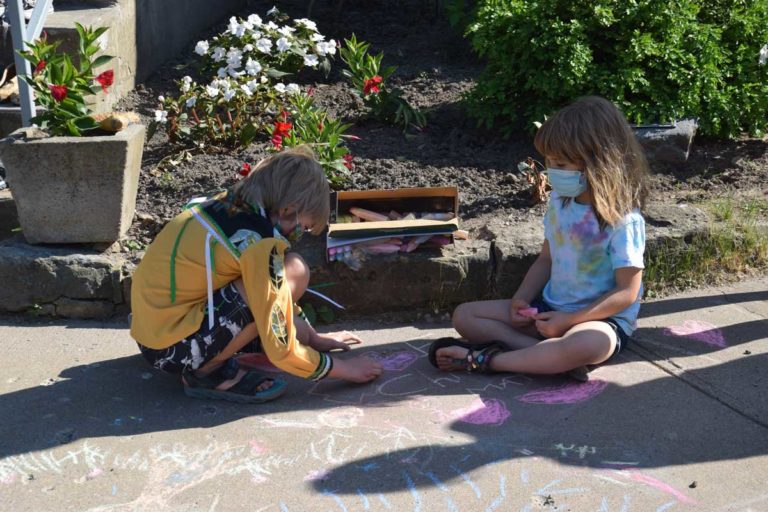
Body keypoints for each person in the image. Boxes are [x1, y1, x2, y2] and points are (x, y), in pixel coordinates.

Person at [130, 146, 382, 403]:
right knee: (286, 275)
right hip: (172, 350)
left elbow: (277, 293)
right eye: (303, 227)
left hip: (155, 334)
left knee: (290, 268)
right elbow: (281, 349)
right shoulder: (259, 243)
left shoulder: (232, 204)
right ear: (287, 210)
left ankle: (208, 357)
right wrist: (342, 368)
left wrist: (311, 338)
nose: (300, 235)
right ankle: (207, 373)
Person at [429, 96, 649, 380]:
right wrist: (520, 300)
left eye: (562, 163)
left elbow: (626, 293)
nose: (552, 170)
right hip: (548, 310)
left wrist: (569, 321)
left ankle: (489, 360)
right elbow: (546, 260)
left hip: (598, 320)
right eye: (550, 161)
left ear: (599, 163)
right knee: (465, 316)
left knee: (587, 344)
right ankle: (547, 356)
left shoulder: (623, 220)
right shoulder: (561, 202)